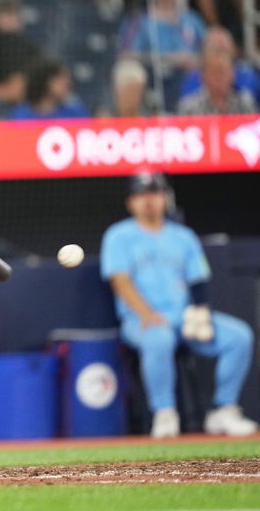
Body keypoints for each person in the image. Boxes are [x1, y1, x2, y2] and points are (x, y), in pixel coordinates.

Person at [100, 172, 258, 438]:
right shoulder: (119, 235)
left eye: (154, 194)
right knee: (158, 339)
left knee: (239, 336)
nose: (148, 201)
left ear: (165, 198)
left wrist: (201, 312)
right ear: (131, 202)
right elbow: (120, 281)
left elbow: (198, 280)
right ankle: (165, 414)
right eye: (141, 195)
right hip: (140, 320)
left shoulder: (183, 236)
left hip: (183, 318)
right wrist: (147, 314)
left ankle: (224, 409)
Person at [177, 51, 258, 115]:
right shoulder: (189, 107)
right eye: (214, 72)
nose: (219, 77)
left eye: (223, 71)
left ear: (232, 75)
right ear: (203, 77)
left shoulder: (244, 102)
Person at [8, 58, 89, 120]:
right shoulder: (20, 116)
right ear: (45, 81)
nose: (68, 84)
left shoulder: (74, 113)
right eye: (61, 79)